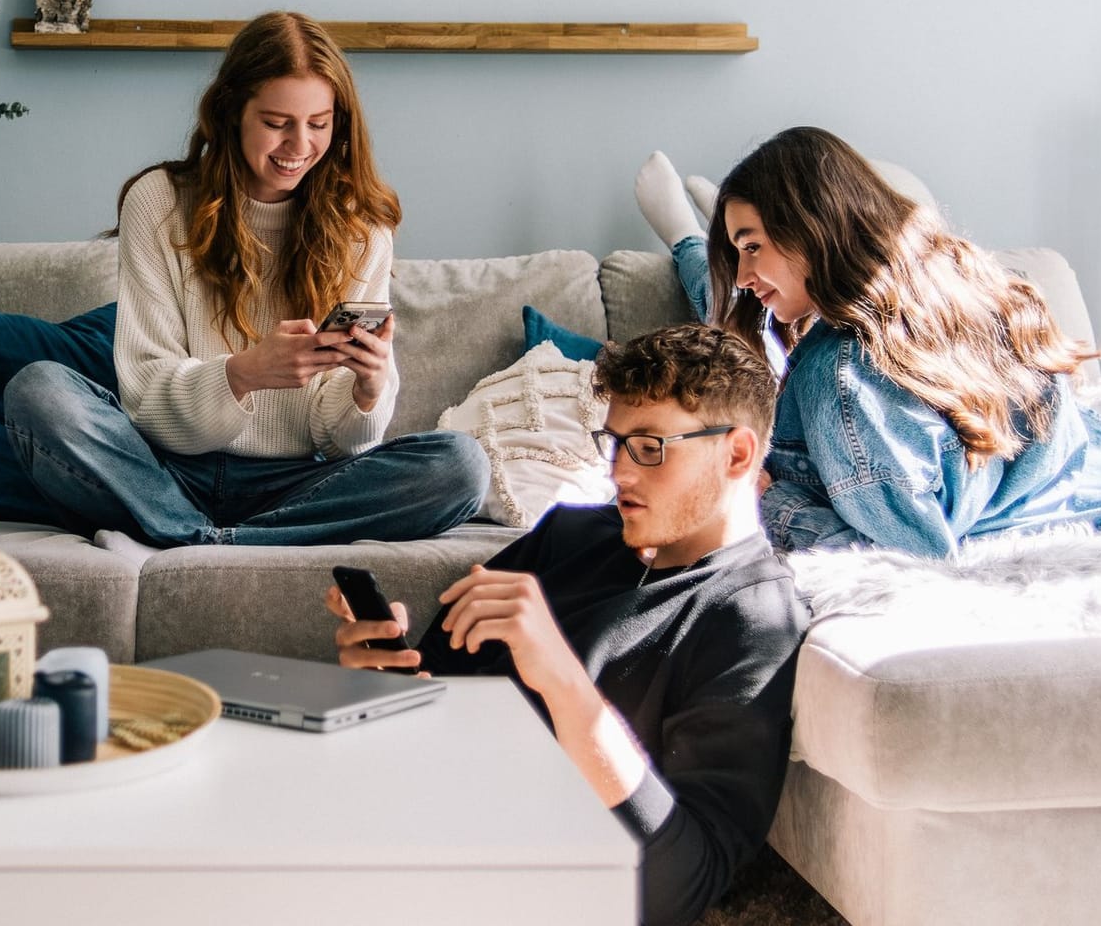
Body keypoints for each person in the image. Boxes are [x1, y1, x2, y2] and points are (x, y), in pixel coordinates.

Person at [326, 324, 810, 926]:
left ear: (735, 453)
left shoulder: (751, 617)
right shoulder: (573, 535)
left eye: (650, 447)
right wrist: (382, 673)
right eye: (615, 443)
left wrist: (564, 683)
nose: (620, 474)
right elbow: (432, 691)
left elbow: (685, 884)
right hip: (398, 814)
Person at [4, 11, 489, 547]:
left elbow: (337, 440)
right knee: (40, 392)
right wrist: (244, 373)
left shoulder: (361, 227)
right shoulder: (160, 202)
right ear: (232, 111)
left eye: (319, 123)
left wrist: (369, 390)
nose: (298, 145)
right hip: (164, 472)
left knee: (460, 466)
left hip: (295, 484)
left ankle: (204, 542)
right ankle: (211, 534)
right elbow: (144, 399)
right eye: (277, 122)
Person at [633, 129, 1101, 558]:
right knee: (744, 320)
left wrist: (764, 499)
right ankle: (692, 236)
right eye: (738, 249)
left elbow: (906, 561)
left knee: (740, 338)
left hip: (1033, 509)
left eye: (752, 246)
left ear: (813, 229)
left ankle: (687, 236)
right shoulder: (948, 279)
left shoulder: (836, 379)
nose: (744, 273)